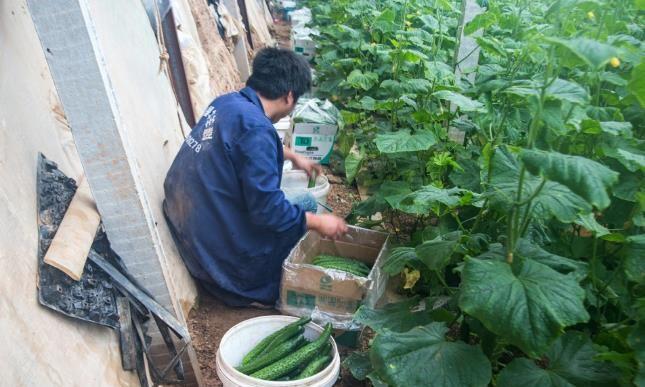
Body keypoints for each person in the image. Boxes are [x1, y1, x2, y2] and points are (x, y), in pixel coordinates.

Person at [163, 47, 347, 307]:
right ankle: (256, 292)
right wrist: (318, 222)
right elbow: (268, 212)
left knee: (293, 205)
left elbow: (239, 144)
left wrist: (291, 156)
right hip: (223, 259)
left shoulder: (227, 103)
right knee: (305, 205)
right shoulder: (258, 131)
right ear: (289, 96)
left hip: (193, 228)